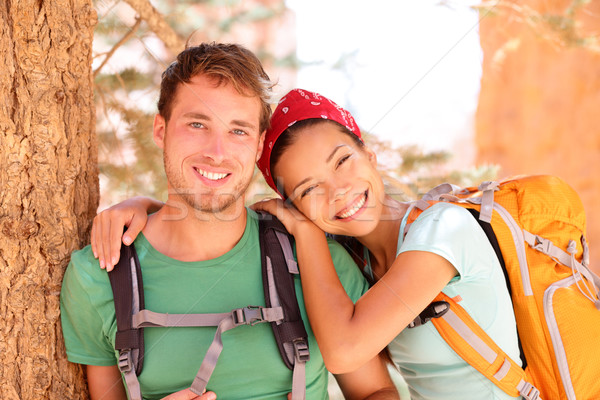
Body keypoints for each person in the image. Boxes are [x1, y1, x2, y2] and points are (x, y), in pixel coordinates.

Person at [91, 88, 522, 400]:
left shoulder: (442, 230)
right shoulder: (363, 265)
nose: (338, 191)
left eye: (343, 160)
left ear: (368, 154)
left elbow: (343, 349)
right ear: (293, 203)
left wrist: (309, 233)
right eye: (310, 189)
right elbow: (200, 212)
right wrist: (146, 208)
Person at [60, 45, 398, 400]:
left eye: (238, 131)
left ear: (258, 145)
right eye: (197, 124)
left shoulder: (316, 262)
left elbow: (376, 391)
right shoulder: (99, 276)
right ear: (161, 129)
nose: (217, 152)